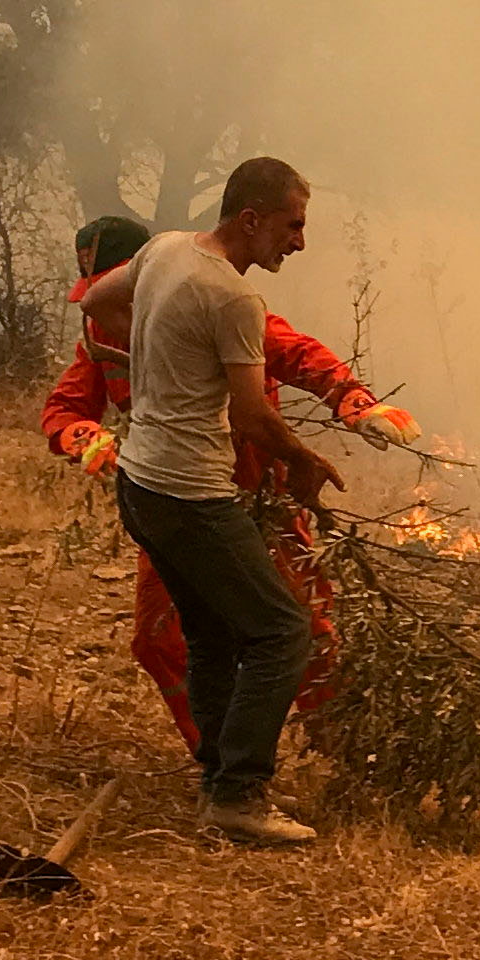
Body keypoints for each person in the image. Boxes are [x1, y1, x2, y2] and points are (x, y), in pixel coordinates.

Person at [38, 211, 420, 755]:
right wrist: (83, 437)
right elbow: (64, 407)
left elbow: (295, 351)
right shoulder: (103, 332)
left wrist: (354, 403)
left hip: (259, 492)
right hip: (177, 493)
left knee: (304, 626)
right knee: (158, 639)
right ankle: (220, 759)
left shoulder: (211, 299)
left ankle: (340, 747)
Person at [76, 160, 348, 846]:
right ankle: (239, 792)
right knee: (280, 630)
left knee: (212, 635)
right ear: (250, 218)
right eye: (293, 225)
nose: (300, 242)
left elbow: (95, 303)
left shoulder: (165, 249)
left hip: (139, 483)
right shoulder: (233, 299)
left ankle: (218, 777)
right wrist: (303, 458)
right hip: (189, 493)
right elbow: (253, 417)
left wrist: (158, 358)